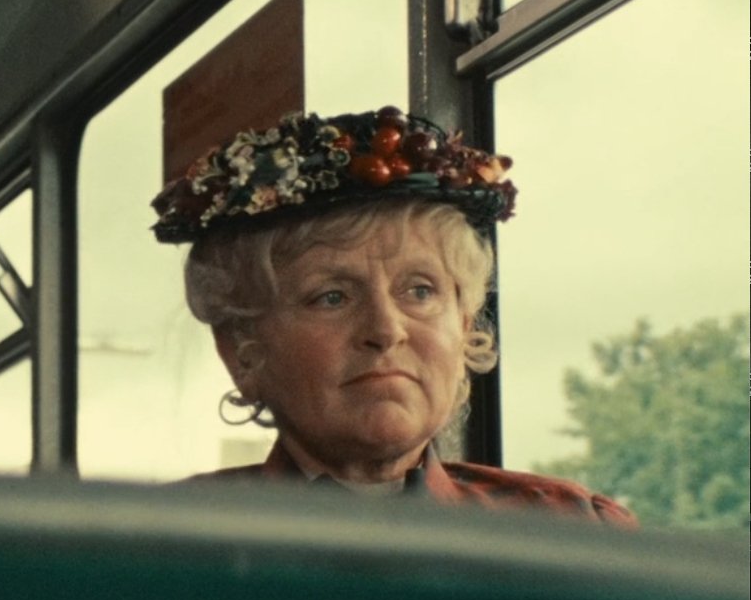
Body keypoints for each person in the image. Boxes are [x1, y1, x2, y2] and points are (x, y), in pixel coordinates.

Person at [151, 107, 634, 526]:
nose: (385, 330)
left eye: (419, 291)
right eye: (332, 297)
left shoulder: (574, 529)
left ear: (465, 328)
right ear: (241, 352)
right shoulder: (168, 545)